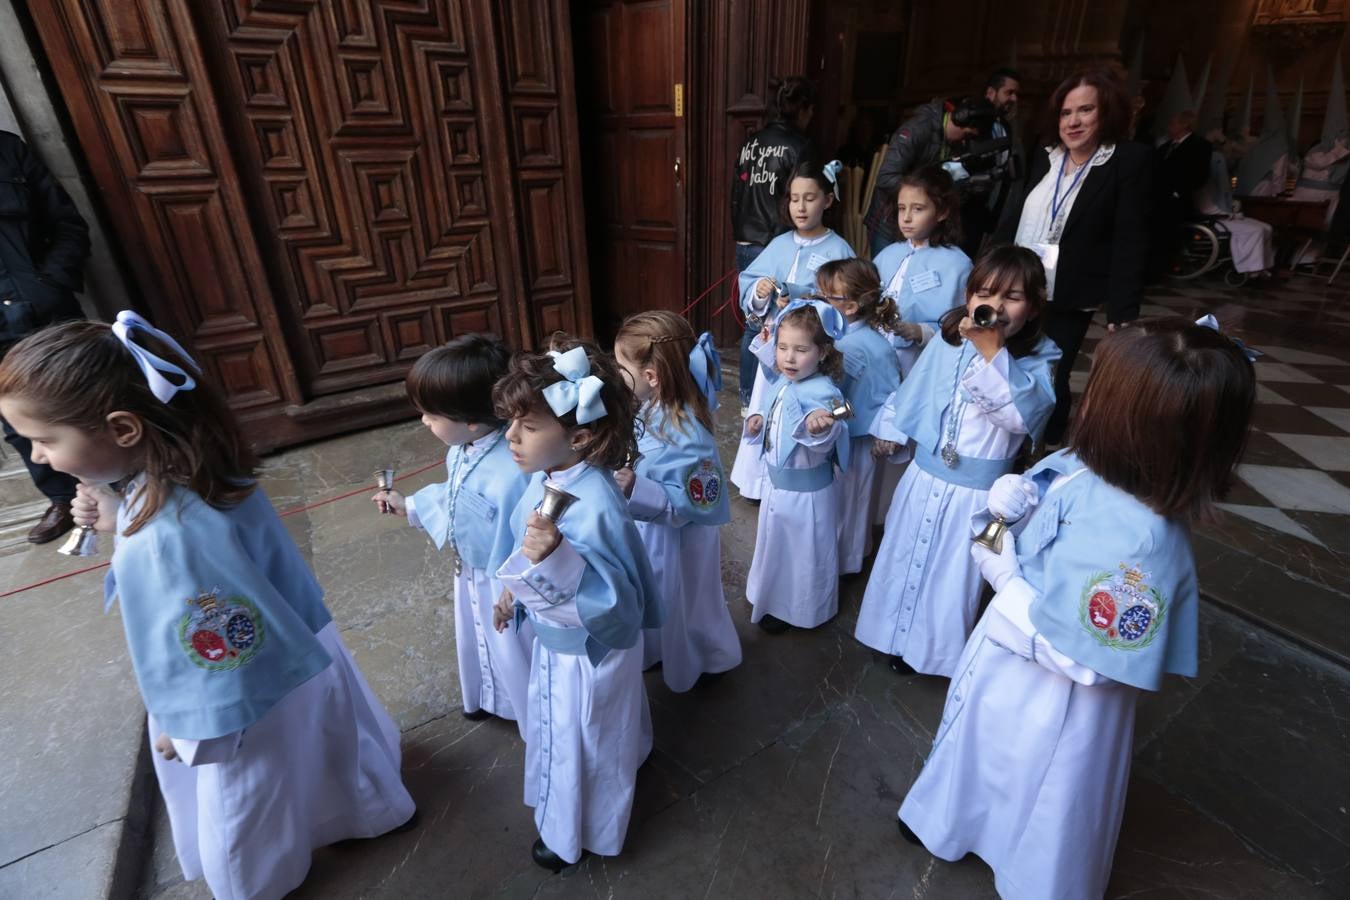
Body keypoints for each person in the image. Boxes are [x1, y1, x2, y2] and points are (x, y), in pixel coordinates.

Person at [0, 313, 416, 900]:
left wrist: (189, 728)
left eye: (44, 440)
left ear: (123, 429)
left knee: (252, 800)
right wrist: (117, 510)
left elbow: (210, 638)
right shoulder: (191, 469)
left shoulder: (166, 535)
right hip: (299, 640)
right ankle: (369, 810)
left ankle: (257, 884)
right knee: (330, 743)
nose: (39, 458)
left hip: (247, 695)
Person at [896, 316, 1256, 900]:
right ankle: (948, 820)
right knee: (982, 744)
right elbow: (1043, 518)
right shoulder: (1093, 469)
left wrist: (1005, 573)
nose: (1086, 405)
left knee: (1039, 780)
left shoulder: (1144, 545)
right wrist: (1014, 506)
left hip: (1056, 689)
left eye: (1102, 395)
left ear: (1137, 428)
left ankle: (1032, 875)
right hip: (1010, 649)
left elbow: (1085, 658)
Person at [489, 338, 659, 872]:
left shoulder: (597, 503)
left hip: (590, 649)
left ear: (580, 436)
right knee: (572, 726)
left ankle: (578, 831)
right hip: (556, 637)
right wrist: (513, 590)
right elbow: (524, 539)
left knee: (587, 736)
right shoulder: (549, 477)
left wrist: (558, 556)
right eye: (511, 422)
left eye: (529, 426)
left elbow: (613, 597)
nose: (511, 437)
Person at [856, 246, 1059, 677]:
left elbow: (1019, 417)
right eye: (985, 293)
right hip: (926, 475)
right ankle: (888, 635)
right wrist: (892, 429)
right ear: (969, 296)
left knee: (950, 579)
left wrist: (993, 354)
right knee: (903, 552)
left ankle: (931, 654)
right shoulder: (951, 339)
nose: (996, 306)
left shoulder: (1040, 358)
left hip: (975, 494)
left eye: (1013, 297)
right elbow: (918, 387)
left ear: (1035, 304)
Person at [370, 335, 532, 729]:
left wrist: (517, 588)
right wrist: (410, 505)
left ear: (470, 419)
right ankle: (488, 697)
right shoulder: (461, 449)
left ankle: (528, 711)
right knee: (478, 639)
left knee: (511, 645)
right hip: (470, 571)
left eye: (431, 414)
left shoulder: (516, 470)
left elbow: (530, 529)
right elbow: (454, 496)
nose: (424, 421)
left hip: (503, 578)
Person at [996, 68, 1152, 447]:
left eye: (1085, 110)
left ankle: (1043, 449)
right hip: (1019, 286)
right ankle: (1005, 440)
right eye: (1066, 112)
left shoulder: (1126, 161)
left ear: (1106, 113)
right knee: (1007, 362)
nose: (1074, 121)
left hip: (1070, 291)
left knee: (1051, 371)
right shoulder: (1045, 155)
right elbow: (1015, 213)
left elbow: (1131, 238)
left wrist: (1123, 310)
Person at [613, 312, 741, 692]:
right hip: (650, 534)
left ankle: (701, 655)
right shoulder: (649, 410)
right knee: (654, 592)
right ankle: (655, 648)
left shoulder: (689, 436)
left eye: (621, 367)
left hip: (678, 542)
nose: (616, 374)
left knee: (684, 600)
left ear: (651, 377)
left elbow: (698, 503)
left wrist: (637, 488)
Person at [730, 160, 854, 503]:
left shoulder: (838, 249)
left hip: (808, 353)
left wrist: (800, 295)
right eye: (795, 198)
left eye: (810, 198)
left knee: (801, 410)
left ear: (827, 201)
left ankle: (796, 474)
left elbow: (844, 302)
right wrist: (760, 292)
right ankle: (759, 479)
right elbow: (750, 282)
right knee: (767, 404)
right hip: (777, 350)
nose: (800, 206)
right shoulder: (780, 243)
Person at [0, 130, 91, 544]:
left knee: (91, 394)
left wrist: (51, 284)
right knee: (18, 420)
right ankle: (63, 498)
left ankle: (133, 480)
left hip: (43, 307)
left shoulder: (7, 148)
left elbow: (67, 223)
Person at [742, 300, 850, 633]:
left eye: (801, 349)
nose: (789, 357)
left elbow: (833, 430)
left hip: (807, 496)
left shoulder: (825, 392)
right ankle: (770, 594)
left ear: (822, 352)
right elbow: (770, 415)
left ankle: (800, 609)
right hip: (777, 487)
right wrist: (757, 420)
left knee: (802, 554)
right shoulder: (781, 384)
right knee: (776, 545)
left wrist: (823, 428)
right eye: (783, 347)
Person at [732, 76, 817, 410]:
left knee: (754, 326)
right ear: (805, 110)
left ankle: (745, 398)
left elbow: (736, 195)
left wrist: (738, 232)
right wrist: (787, 242)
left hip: (745, 239)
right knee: (781, 325)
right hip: (773, 244)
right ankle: (769, 398)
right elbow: (792, 204)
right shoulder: (799, 146)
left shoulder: (750, 143)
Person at [816, 258, 901, 575]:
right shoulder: (858, 339)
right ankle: (850, 556)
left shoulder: (854, 345)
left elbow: (894, 393)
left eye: (827, 297)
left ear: (849, 306)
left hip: (855, 438)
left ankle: (842, 564)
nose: (820, 301)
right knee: (853, 502)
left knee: (847, 504)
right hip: (852, 434)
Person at [872, 166, 973, 376]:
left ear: (942, 212)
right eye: (902, 208)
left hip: (920, 364)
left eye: (918, 209)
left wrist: (920, 331)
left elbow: (962, 326)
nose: (907, 217)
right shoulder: (887, 255)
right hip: (876, 356)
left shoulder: (957, 265)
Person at [865, 97, 994, 257]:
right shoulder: (917, 130)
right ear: (962, 123)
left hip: (924, 226)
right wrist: (926, 194)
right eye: (967, 137)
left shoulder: (953, 144)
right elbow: (885, 177)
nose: (964, 144)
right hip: (889, 221)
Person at [959, 68, 1022, 258]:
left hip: (985, 209)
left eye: (1016, 94)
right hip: (962, 206)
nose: (1014, 99)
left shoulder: (1005, 125)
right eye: (1009, 93)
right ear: (991, 92)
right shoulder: (971, 120)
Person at [1196, 130, 1275, 277]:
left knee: (1266, 228)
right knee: (1254, 231)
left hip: (1223, 213)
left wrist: (1231, 205)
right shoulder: (1207, 174)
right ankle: (1250, 268)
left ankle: (1261, 266)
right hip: (1214, 217)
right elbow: (1209, 204)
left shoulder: (1219, 171)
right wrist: (1227, 211)